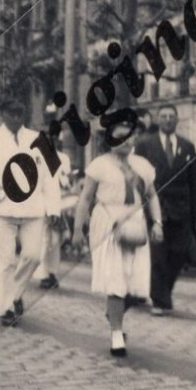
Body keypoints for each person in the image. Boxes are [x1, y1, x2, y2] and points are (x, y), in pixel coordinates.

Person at [72, 123, 163, 357]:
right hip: (107, 222)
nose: (126, 141)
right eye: (120, 137)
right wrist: (78, 229)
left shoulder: (142, 166)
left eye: (129, 136)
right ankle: (116, 335)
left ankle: (114, 314)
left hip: (136, 222)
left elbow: (152, 196)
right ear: (109, 140)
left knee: (137, 287)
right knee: (116, 280)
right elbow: (85, 199)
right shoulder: (99, 165)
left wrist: (157, 223)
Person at [0, 99, 61, 326]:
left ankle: (15, 294)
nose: (16, 118)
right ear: (2, 113)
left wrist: (54, 208)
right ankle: (6, 308)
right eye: (11, 113)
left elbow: (52, 177)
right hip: (3, 204)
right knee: (5, 260)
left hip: (34, 205)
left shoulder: (39, 139)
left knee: (33, 255)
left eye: (20, 113)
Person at [136, 102, 196, 316]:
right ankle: (159, 299)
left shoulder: (187, 146)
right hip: (155, 207)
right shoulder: (145, 144)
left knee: (179, 254)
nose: (167, 120)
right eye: (163, 116)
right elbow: (136, 177)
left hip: (181, 209)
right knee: (158, 255)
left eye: (171, 117)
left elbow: (194, 181)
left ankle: (161, 292)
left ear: (176, 120)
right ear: (158, 120)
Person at [35, 136, 73, 290]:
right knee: (44, 239)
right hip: (42, 202)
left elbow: (66, 179)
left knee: (56, 239)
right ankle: (42, 274)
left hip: (58, 201)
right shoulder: (38, 158)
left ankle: (52, 273)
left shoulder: (64, 158)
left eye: (57, 140)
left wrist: (66, 183)